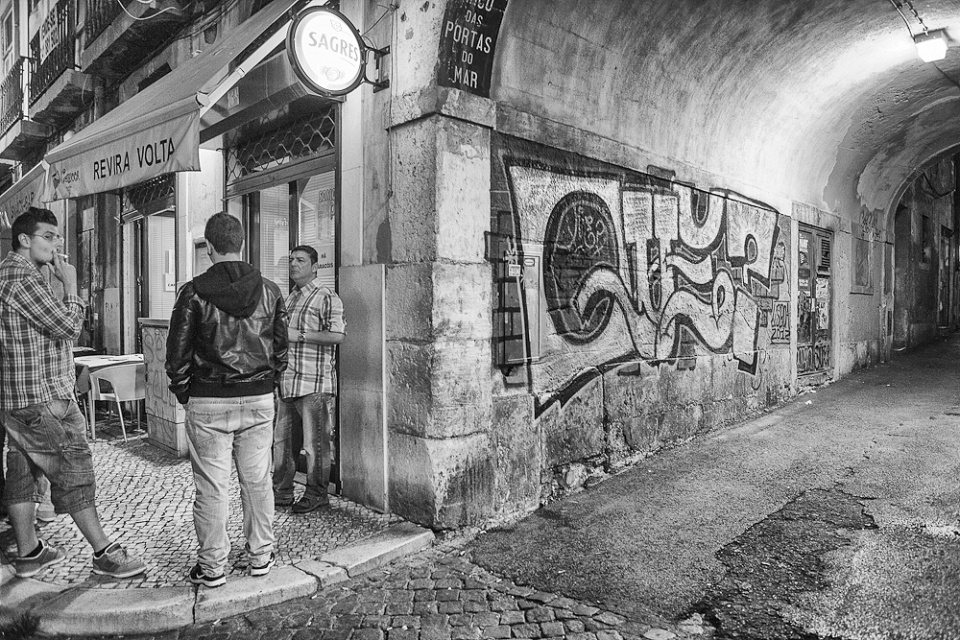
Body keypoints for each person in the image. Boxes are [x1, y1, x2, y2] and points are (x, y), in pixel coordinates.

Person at [0, 207, 146, 579]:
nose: (57, 244)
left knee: (22, 473)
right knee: (74, 470)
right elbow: (67, 326)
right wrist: (72, 286)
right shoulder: (22, 277)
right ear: (24, 239)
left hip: (18, 398)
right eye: (48, 236)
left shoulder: (10, 274)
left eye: (58, 236)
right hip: (42, 397)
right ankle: (104, 552)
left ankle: (29, 552)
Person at [166, 212, 288, 588]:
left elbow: (176, 352)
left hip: (208, 400)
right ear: (242, 243)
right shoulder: (270, 290)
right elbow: (281, 349)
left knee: (212, 487)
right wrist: (269, 384)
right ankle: (261, 557)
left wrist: (185, 392)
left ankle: (212, 567)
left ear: (210, 247)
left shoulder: (193, 292)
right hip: (259, 397)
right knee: (258, 481)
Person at [273, 245, 345, 514]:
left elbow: (338, 335)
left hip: (314, 383)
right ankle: (281, 494)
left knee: (315, 447)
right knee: (283, 445)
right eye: (291, 259)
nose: (294, 264)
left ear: (314, 267)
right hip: (288, 381)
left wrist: (300, 336)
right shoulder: (290, 297)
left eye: (300, 260)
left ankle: (317, 495)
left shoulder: (326, 296)